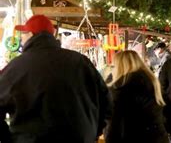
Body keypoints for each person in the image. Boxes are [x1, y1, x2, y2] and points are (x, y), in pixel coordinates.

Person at [0, 14, 110, 142]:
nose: (21, 39)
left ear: (30, 34)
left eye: (23, 34)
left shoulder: (16, 67)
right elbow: (106, 101)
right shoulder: (80, 62)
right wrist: (93, 131)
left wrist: (8, 139)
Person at [106, 50, 171, 143]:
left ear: (119, 67)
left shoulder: (119, 89)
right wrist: (161, 130)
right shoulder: (153, 84)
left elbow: (114, 126)